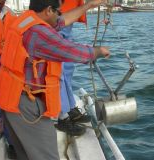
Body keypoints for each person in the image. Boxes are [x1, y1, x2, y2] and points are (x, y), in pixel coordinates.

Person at [0, 0, 110, 159]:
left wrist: (88, 6)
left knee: (26, 155)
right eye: (58, 11)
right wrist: (98, 51)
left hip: (11, 98)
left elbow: (62, 21)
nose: (60, 16)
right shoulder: (38, 33)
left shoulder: (27, 20)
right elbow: (70, 51)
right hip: (25, 104)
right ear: (49, 10)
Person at [55, 0, 90, 136]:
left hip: (69, 15)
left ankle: (69, 107)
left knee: (68, 67)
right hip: (58, 15)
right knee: (58, 68)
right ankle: (63, 116)